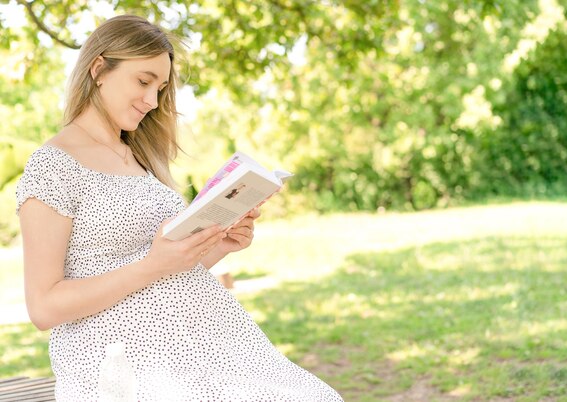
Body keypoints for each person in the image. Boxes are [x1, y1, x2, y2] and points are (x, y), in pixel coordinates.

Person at [16, 15, 342, 401]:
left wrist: (217, 243)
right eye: (143, 81)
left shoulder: (138, 158)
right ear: (99, 68)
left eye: (161, 88)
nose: (152, 101)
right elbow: (44, 307)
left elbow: (166, 269)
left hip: (202, 350)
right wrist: (153, 263)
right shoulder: (54, 164)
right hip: (122, 359)